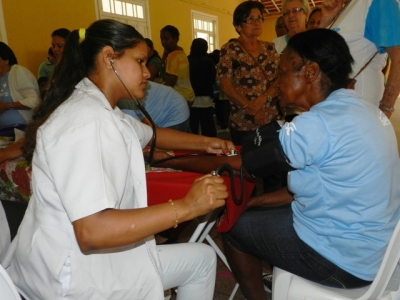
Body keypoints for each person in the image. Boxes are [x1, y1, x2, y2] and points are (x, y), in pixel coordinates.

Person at [3, 19, 236, 300]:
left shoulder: (102, 110)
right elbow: (92, 231)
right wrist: (187, 206)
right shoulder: (85, 122)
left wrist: (210, 143)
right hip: (70, 277)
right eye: (139, 61)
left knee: (200, 259)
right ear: (108, 59)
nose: (147, 73)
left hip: (80, 261)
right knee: (197, 260)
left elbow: (151, 135)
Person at [222, 29, 400, 300]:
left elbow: (242, 165)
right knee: (248, 216)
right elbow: (311, 190)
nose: (278, 83)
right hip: (378, 253)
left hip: (342, 263)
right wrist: (251, 203)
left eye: (282, 73)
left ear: (310, 73)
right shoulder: (368, 110)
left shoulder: (316, 124)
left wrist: (168, 157)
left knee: (234, 229)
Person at [319, 0, 400, 118]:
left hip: (360, 103)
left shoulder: (379, 2)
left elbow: (398, 57)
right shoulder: (346, 6)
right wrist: (326, 21)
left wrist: (385, 110)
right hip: (337, 105)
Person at [218, 1, 281, 146]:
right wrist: (251, 108)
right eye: (250, 19)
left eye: (259, 18)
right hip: (243, 121)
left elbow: (280, 78)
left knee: (272, 162)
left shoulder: (269, 48)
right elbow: (225, 85)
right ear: (238, 26)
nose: (257, 22)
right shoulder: (229, 50)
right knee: (246, 163)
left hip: (271, 117)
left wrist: (262, 99)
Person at [117, 81, 189, 132]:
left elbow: (153, 131)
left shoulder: (124, 98)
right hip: (164, 109)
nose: (147, 73)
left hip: (174, 111)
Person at [0, 42, 41, 129]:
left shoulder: (18, 72)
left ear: (6, 60)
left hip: (22, 128)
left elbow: (34, 101)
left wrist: (7, 105)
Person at [188, 38, 217, 137]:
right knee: (207, 124)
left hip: (190, 97)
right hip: (206, 97)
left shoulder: (188, 60)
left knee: (192, 125)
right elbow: (212, 79)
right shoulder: (209, 61)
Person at [160, 25, 195, 104]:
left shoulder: (173, 56)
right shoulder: (181, 51)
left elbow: (171, 81)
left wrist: (159, 94)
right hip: (188, 94)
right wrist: (165, 54)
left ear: (175, 39)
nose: (163, 42)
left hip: (179, 95)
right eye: (161, 39)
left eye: (166, 39)